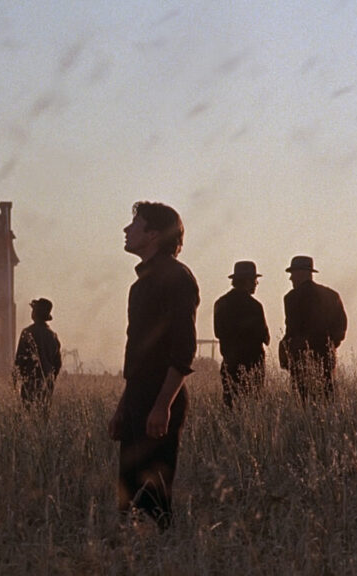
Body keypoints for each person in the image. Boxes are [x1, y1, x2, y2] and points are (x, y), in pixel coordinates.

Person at [108, 201, 199, 531]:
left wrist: (162, 406)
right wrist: (123, 407)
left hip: (159, 397)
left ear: (153, 234)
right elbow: (140, 356)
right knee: (130, 497)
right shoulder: (141, 284)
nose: (126, 230)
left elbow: (183, 349)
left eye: (135, 224)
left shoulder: (176, 278)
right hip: (139, 398)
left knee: (154, 500)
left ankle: (162, 559)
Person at [280, 256, 347, 403]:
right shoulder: (331, 295)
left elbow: (291, 330)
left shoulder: (291, 298)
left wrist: (289, 350)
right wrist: (329, 346)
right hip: (326, 358)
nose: (291, 278)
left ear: (302, 273)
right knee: (326, 401)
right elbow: (341, 327)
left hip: (300, 360)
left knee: (303, 403)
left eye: (293, 273)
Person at [213, 261, 270, 408]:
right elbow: (265, 337)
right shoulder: (255, 306)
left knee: (230, 407)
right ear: (247, 281)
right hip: (253, 366)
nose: (256, 284)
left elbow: (218, 333)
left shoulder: (220, 304)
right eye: (255, 280)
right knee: (252, 408)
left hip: (230, 364)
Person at [14, 297, 63, 415]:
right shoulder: (53, 336)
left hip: (29, 383)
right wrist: (51, 378)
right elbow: (58, 363)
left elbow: (19, 359)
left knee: (27, 416)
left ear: (35, 313)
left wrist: (15, 380)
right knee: (43, 417)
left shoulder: (27, 333)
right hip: (47, 383)